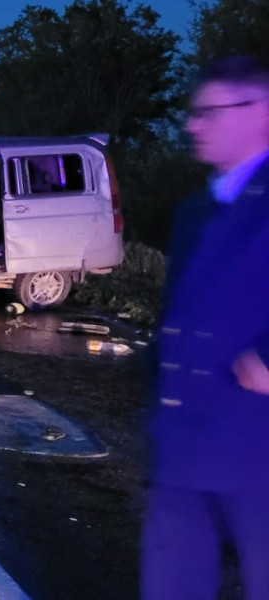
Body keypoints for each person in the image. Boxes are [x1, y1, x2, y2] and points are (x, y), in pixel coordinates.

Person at [142, 55, 269, 599]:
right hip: (183, 444)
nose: (193, 126)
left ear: (259, 111)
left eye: (208, 113)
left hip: (257, 445)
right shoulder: (194, 210)